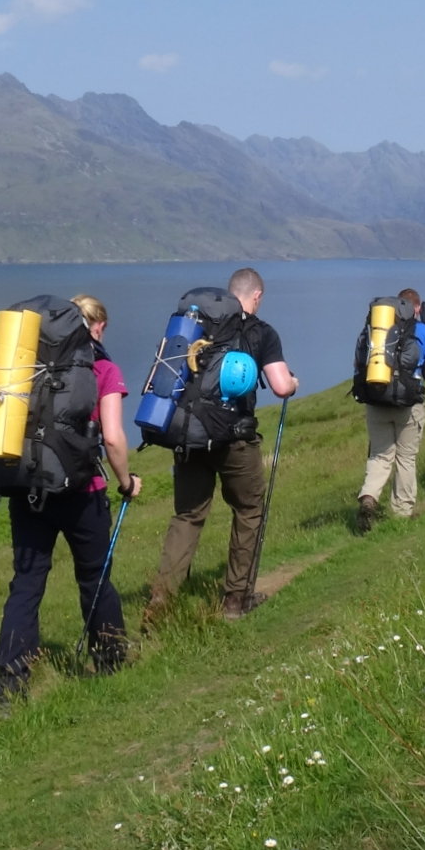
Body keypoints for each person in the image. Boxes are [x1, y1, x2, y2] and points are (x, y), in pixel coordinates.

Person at [0, 294, 142, 715]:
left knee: (27, 583)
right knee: (95, 578)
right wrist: (127, 483)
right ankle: (110, 660)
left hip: (28, 490)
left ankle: (8, 687)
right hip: (83, 492)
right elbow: (112, 438)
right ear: (95, 327)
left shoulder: (25, 369)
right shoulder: (103, 370)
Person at [145, 267, 298, 624]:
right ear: (256, 297)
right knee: (248, 508)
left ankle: (160, 604)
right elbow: (279, 386)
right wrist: (292, 383)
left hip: (189, 436)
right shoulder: (260, 332)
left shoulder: (196, 326)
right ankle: (236, 600)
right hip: (234, 439)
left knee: (187, 516)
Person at [357, 288, 425, 533]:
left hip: (376, 399)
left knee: (380, 456)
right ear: (416, 308)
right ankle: (401, 514)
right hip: (408, 404)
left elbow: (358, 362)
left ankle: (369, 497)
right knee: (405, 458)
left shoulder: (375, 328)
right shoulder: (422, 330)